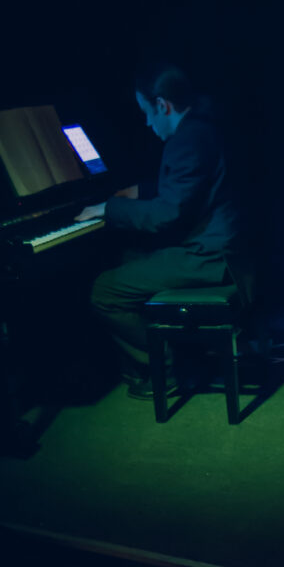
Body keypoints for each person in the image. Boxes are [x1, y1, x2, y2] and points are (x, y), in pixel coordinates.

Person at [77, 62, 240, 399]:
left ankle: (167, 369)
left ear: (162, 105)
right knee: (126, 258)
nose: (147, 123)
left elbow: (167, 214)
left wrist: (108, 208)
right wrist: (140, 190)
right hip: (220, 246)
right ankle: (173, 357)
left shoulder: (188, 139)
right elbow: (190, 185)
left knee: (104, 292)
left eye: (146, 113)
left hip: (209, 256)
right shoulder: (203, 127)